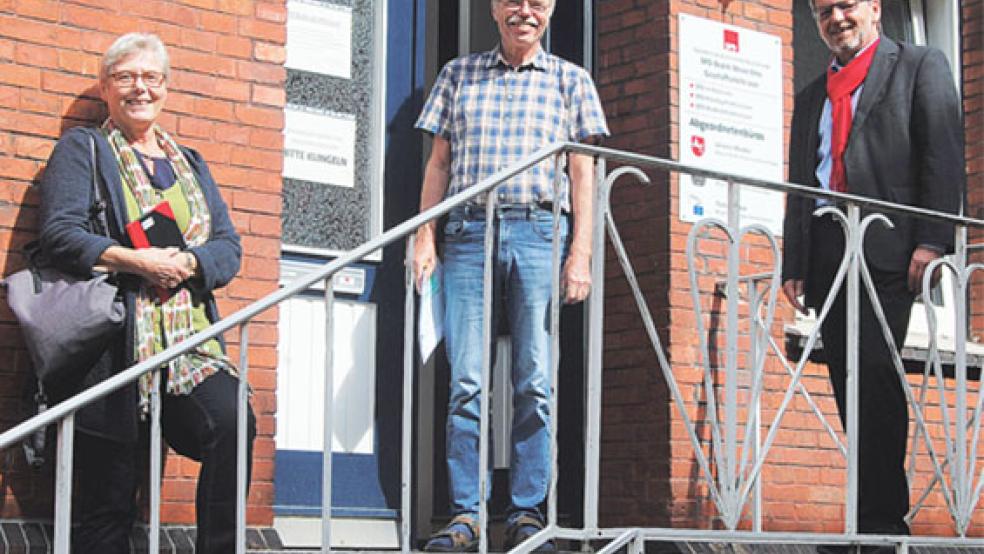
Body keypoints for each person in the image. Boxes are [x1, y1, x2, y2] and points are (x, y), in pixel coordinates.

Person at [38, 32, 255, 554]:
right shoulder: (83, 149)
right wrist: (135, 261)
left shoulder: (192, 163)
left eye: (151, 78)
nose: (140, 88)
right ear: (105, 87)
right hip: (114, 351)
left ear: (167, 88)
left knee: (232, 425)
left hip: (188, 347)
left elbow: (228, 246)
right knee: (109, 502)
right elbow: (60, 232)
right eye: (126, 77)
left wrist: (190, 261)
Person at [412, 0, 608, 551]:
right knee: (467, 381)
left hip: (539, 233)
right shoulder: (459, 74)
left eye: (538, 3)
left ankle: (526, 514)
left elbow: (582, 170)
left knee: (534, 382)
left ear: (550, 11)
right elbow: (439, 163)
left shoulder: (571, 80)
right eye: (513, 1)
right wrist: (423, 233)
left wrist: (581, 253)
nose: (525, 12)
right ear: (496, 8)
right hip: (469, 234)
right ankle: (465, 515)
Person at [781, 0, 964, 548]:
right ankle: (866, 517)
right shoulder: (812, 96)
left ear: (875, 9)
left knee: (876, 376)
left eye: (846, 5)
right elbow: (801, 183)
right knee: (847, 380)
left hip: (888, 246)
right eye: (823, 11)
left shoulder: (919, 65)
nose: (836, 18)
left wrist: (933, 240)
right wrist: (795, 261)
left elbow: (942, 156)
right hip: (827, 249)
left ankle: (882, 520)